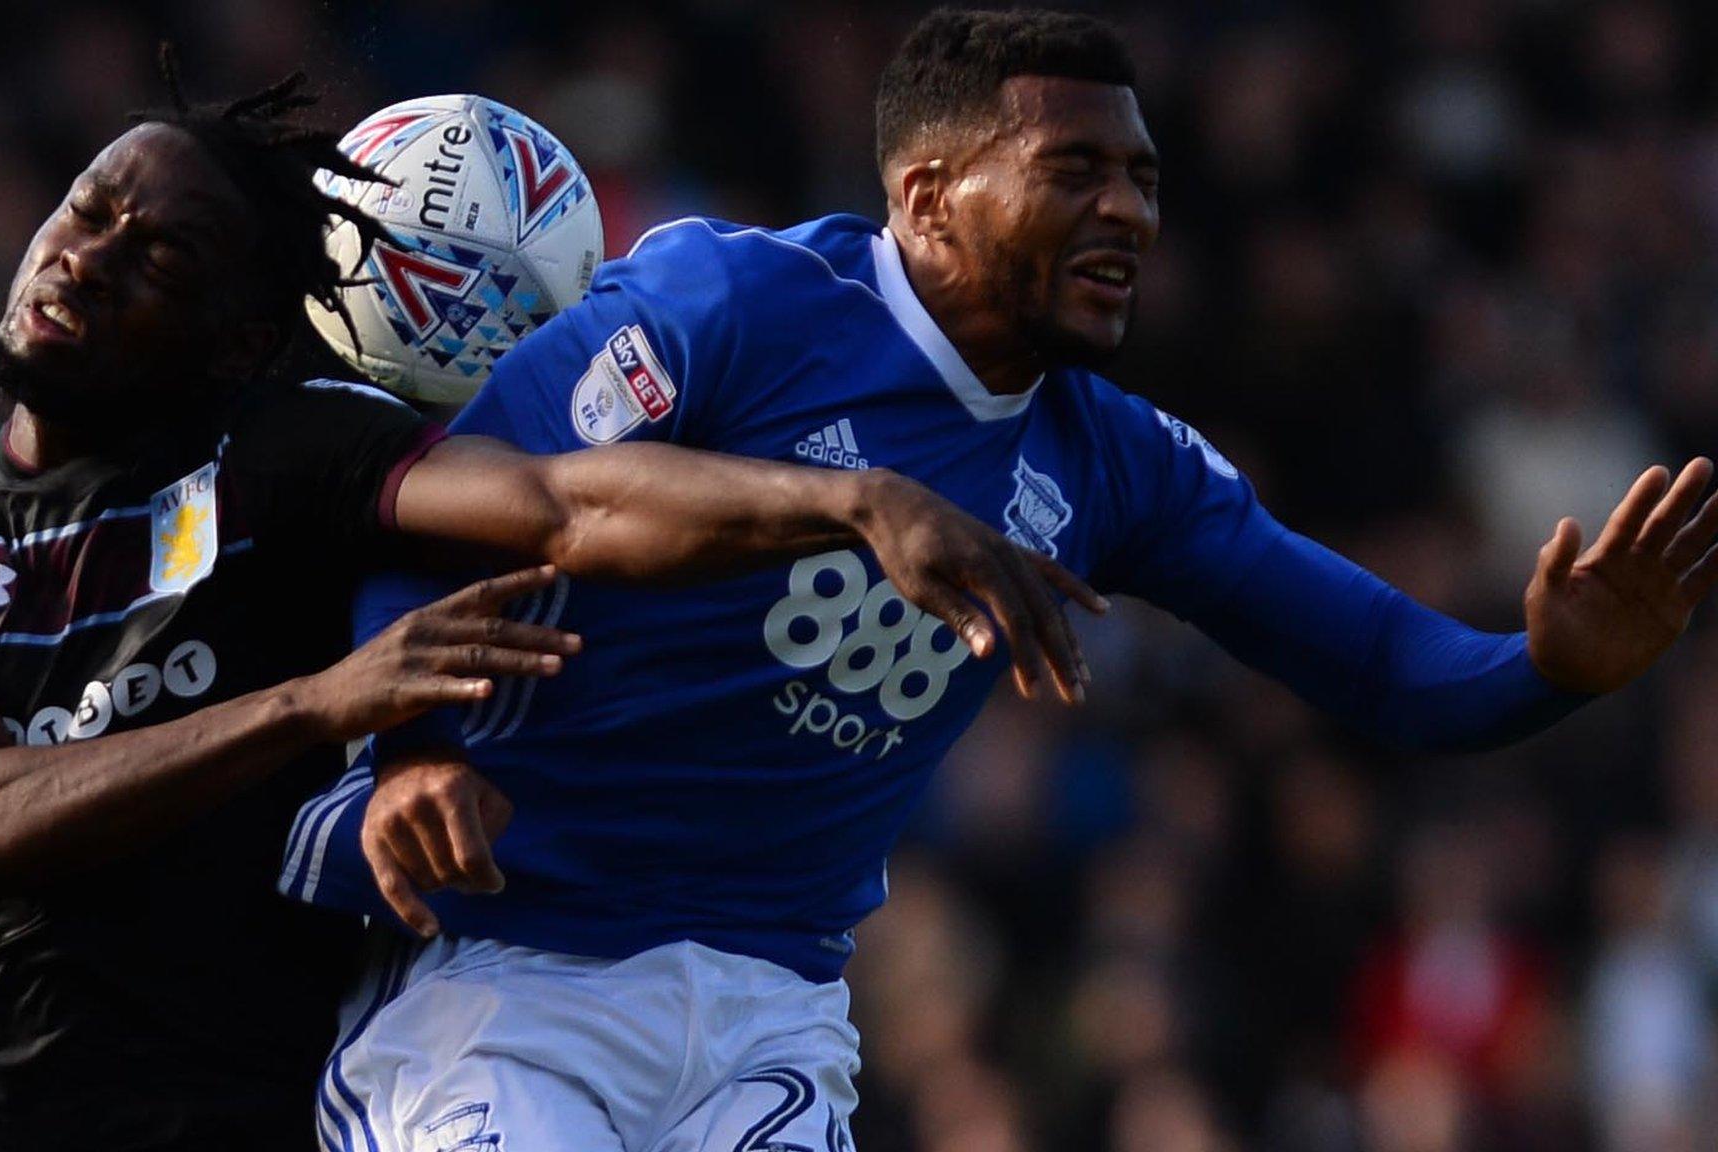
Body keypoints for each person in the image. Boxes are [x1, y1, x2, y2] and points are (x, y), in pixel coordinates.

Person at [290, 9, 1718, 1151]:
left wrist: (1548, 674)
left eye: (1145, 179)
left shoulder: (1116, 465)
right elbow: (457, 508)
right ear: (929, 194)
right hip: (513, 971)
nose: (1131, 216)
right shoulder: (730, 305)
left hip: (767, 1017)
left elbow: (1396, 670)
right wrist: (410, 755)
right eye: (1076, 173)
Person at [0, 57, 1091, 1152]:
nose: (86, 257)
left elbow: (568, 504)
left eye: (156, 255)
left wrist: (846, 504)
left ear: (235, 348)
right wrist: (318, 708)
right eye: (90, 207)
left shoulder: (287, 459)